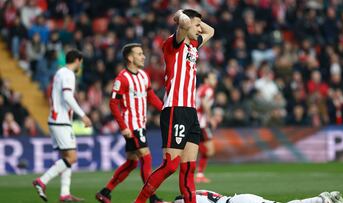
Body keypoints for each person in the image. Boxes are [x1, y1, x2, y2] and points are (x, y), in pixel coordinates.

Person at [134, 9, 215, 203]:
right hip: (175, 110)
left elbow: (210, 31)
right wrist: (183, 17)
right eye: (196, 25)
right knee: (170, 166)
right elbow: (183, 23)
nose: (199, 29)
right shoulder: (173, 43)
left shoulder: (194, 45)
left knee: (188, 168)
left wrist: (197, 22)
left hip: (191, 113)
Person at [95, 43, 164, 203]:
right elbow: (113, 104)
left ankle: (105, 192)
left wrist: (165, 109)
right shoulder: (122, 78)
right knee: (146, 158)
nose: (143, 56)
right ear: (130, 58)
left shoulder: (143, 75)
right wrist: (123, 127)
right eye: (139, 54)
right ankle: (152, 198)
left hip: (141, 125)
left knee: (132, 163)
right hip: (131, 127)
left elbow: (151, 96)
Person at [32, 50, 92, 202]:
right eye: (81, 62)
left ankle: (64, 193)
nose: (81, 65)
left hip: (56, 119)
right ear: (77, 60)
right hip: (61, 121)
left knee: (66, 157)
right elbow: (67, 96)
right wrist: (83, 115)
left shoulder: (60, 73)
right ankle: (42, 181)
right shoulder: (68, 74)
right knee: (72, 157)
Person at [195, 72, 218, 183]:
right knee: (209, 150)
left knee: (206, 150)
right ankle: (199, 173)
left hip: (197, 122)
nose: (215, 80)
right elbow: (204, 103)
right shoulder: (207, 89)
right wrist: (211, 118)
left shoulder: (201, 88)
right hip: (201, 123)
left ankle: (199, 174)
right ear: (206, 80)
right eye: (212, 77)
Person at [173, 190, 343, 203]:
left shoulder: (182, 200)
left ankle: (321, 199)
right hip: (239, 199)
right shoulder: (194, 193)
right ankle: (321, 199)